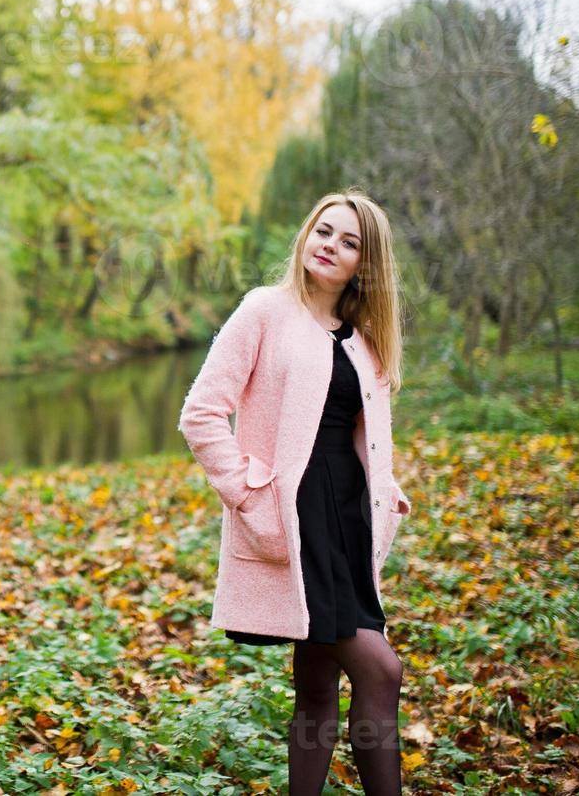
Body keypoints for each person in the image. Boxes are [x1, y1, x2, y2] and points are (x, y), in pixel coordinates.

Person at [178, 188, 412, 795]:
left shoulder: (363, 337)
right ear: (306, 236)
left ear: (367, 262)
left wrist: (385, 492)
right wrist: (248, 495)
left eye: (349, 241)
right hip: (296, 515)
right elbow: (202, 414)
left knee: (316, 686)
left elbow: (365, 437)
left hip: (349, 520)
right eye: (324, 231)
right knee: (381, 672)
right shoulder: (264, 311)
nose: (331, 246)